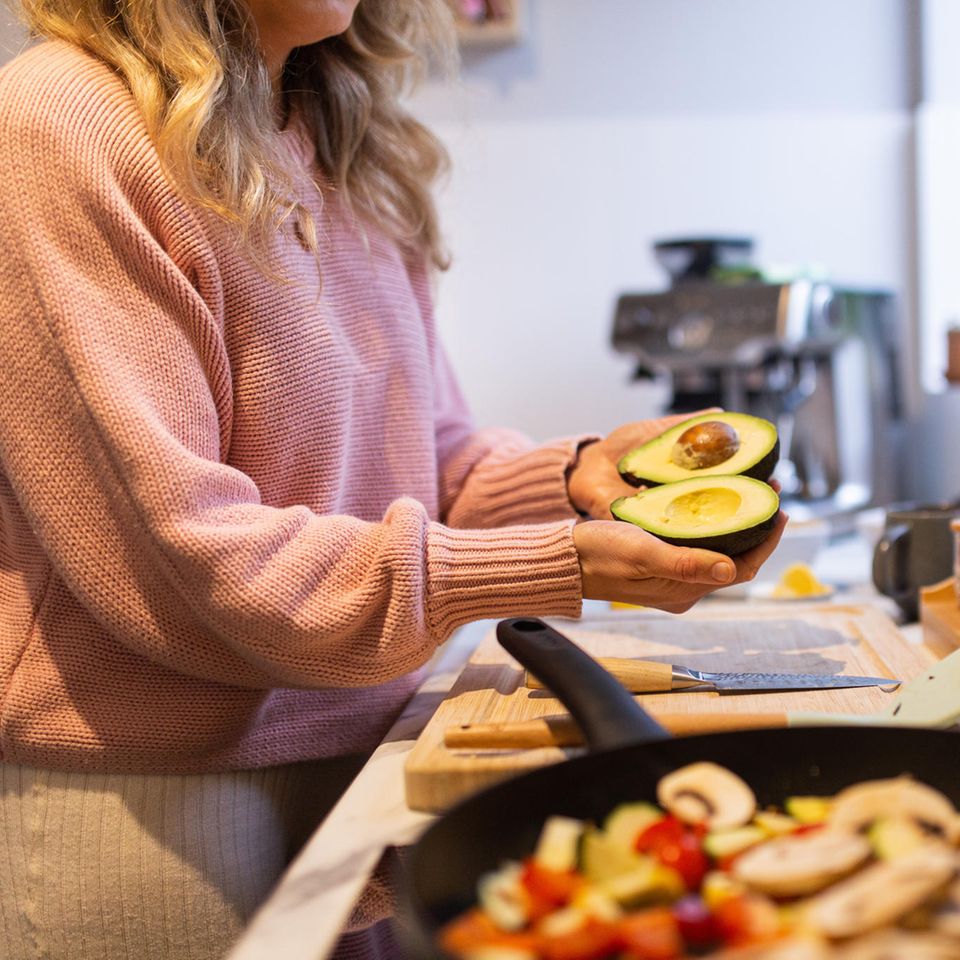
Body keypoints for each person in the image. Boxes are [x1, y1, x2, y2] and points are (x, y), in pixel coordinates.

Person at [0, 0, 786, 957]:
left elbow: (426, 457)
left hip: (376, 750)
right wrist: (553, 565)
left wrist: (581, 480)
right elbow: (183, 553)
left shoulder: (343, 136)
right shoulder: (65, 121)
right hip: (166, 801)